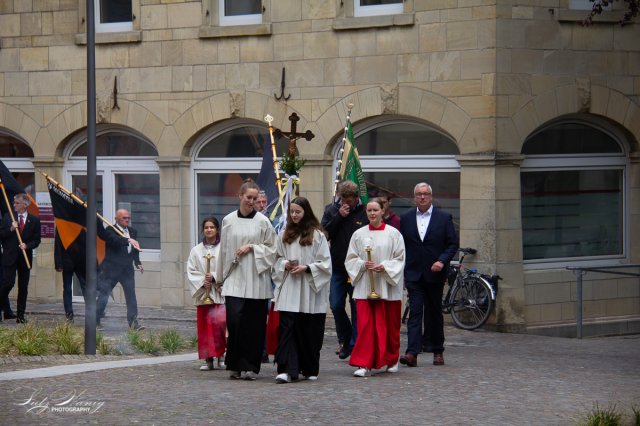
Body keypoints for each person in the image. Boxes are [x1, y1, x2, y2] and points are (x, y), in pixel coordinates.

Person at [216, 179, 277, 381]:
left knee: (255, 325)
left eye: (254, 198)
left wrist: (252, 248)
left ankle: (251, 366)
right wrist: (219, 277)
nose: (251, 201)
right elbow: (223, 250)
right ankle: (235, 364)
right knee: (235, 322)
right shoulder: (228, 220)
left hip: (256, 279)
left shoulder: (263, 222)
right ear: (240, 196)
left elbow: (272, 250)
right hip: (234, 277)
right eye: (248, 197)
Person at [271, 197, 331, 383]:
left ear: (306, 212)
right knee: (288, 328)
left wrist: (307, 268)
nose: (294, 215)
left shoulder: (317, 236)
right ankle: (286, 369)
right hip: (290, 287)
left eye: (298, 212)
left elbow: (326, 264)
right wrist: (284, 264)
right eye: (292, 212)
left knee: (309, 330)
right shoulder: (284, 234)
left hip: (309, 288)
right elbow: (275, 259)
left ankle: (309, 367)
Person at [345, 199, 405, 377]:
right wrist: (363, 264)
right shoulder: (358, 234)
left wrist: (385, 266)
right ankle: (364, 363)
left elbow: (400, 258)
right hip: (365, 286)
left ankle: (391, 358)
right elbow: (350, 259)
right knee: (365, 326)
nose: (372, 213)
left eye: (375, 210)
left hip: (387, 286)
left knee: (389, 325)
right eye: (369, 210)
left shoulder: (394, 234)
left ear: (382, 211)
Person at [399, 183, 457, 367]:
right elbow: (401, 246)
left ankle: (437, 350)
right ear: (414, 197)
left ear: (431, 197)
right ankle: (412, 352)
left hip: (435, 273)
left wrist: (442, 260)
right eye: (418, 194)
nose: (422, 197)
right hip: (414, 273)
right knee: (415, 313)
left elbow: (452, 244)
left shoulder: (444, 217)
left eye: (425, 194)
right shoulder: (406, 218)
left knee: (434, 313)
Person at [321, 180, 367, 359]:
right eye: (344, 199)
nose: (347, 203)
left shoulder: (363, 212)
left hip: (357, 268)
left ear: (357, 198)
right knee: (336, 304)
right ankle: (346, 338)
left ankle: (354, 343)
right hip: (338, 266)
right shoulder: (331, 209)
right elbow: (324, 232)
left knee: (356, 307)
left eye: (350, 199)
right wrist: (339, 216)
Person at [187, 216, 226, 371]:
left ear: (217, 229)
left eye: (212, 227)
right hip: (204, 294)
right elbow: (191, 270)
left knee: (220, 326)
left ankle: (221, 356)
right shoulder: (196, 251)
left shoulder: (223, 248)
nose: (209, 230)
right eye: (206, 227)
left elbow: (228, 267)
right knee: (206, 328)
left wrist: (215, 277)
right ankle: (208, 359)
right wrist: (203, 280)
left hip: (218, 293)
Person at [96, 208, 144, 331]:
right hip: (111, 270)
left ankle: (133, 323)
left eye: (128, 217)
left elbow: (135, 250)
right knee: (104, 295)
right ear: (117, 219)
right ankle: (95, 320)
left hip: (127, 271)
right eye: (124, 218)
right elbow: (114, 240)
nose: (127, 220)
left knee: (131, 296)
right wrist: (127, 240)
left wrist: (138, 263)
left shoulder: (133, 232)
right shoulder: (110, 230)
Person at [0, 194, 41, 323]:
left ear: (25, 205)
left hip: (24, 258)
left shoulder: (34, 220)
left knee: (23, 287)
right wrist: (11, 228)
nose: (14, 205)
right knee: (8, 283)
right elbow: (1, 235)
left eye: (17, 203)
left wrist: (27, 245)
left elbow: (37, 240)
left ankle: (20, 316)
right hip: (9, 257)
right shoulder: (8, 218)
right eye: (14, 202)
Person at [54, 229, 87, 322]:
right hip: (67, 261)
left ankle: (90, 312)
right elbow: (58, 244)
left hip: (81, 261)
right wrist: (58, 264)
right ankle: (69, 314)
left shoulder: (81, 222)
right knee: (67, 288)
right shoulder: (62, 224)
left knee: (85, 286)